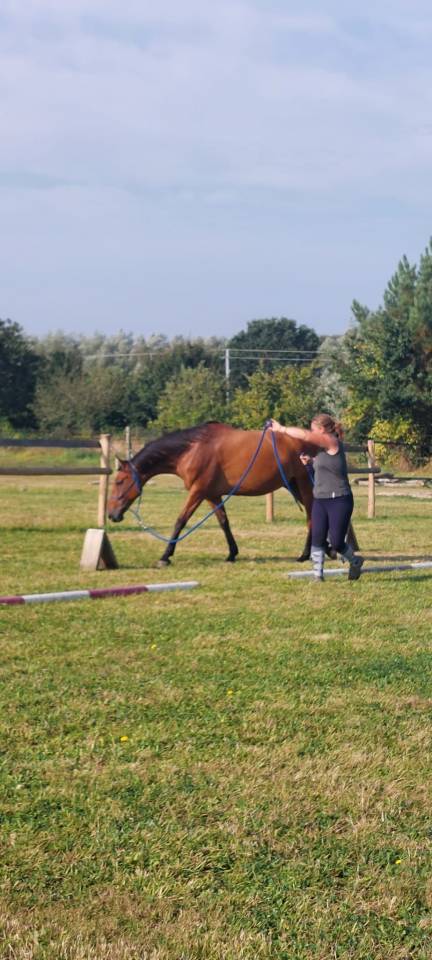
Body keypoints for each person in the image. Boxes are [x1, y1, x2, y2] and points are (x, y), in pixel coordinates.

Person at [270, 413, 364, 581]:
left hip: (339, 499)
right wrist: (311, 462)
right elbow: (325, 464)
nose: (311, 433)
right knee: (317, 537)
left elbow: (305, 435)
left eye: (313, 430)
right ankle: (317, 576)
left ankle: (355, 561)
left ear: (322, 430)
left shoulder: (331, 441)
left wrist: (281, 429)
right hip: (320, 499)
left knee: (336, 542)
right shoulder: (320, 449)